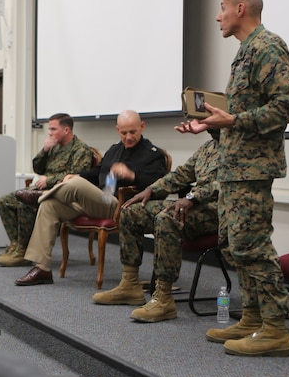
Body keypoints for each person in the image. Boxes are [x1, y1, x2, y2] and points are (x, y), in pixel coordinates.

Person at [176, 0, 289, 356]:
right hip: (233, 168)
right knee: (233, 246)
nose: (218, 16)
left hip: (253, 169)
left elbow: (288, 105)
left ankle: (276, 329)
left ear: (241, 9)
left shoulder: (267, 47)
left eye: (223, 8)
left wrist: (235, 119)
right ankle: (252, 318)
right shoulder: (245, 53)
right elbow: (235, 119)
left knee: (253, 246)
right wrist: (211, 124)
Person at [15, 110, 167, 286]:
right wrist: (75, 175)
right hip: (100, 199)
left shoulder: (152, 153)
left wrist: (133, 175)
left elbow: (160, 184)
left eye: (133, 132)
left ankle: (40, 195)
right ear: (118, 130)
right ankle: (42, 269)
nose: (128, 137)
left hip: (122, 205)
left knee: (76, 185)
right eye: (124, 133)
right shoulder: (114, 150)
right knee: (50, 205)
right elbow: (96, 173)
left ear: (142, 127)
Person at [94, 132, 221, 319]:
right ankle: (130, 285)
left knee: (167, 218)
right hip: (195, 206)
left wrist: (193, 197)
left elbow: (228, 184)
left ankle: (163, 298)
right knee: (130, 212)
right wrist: (150, 190)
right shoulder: (208, 147)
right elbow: (180, 174)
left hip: (218, 212)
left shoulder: (237, 146)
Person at [0, 113, 93, 267]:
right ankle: (16, 244)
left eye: (53, 129)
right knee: (4, 201)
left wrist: (49, 180)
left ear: (66, 130)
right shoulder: (54, 147)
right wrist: (45, 150)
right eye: (49, 129)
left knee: (25, 203)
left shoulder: (80, 149)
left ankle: (23, 252)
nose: (50, 133)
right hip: (41, 189)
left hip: (60, 193)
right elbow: (37, 168)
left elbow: (76, 177)